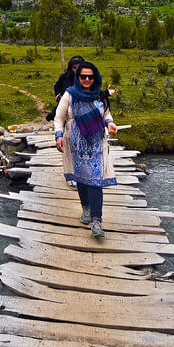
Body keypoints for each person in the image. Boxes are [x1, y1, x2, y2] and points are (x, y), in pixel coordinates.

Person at [53, 60, 118, 238]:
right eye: (83, 76)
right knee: (81, 177)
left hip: (97, 143)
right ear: (78, 77)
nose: (87, 79)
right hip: (75, 143)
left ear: (95, 77)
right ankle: (86, 209)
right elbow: (59, 118)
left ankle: (97, 221)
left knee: (96, 180)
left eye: (90, 76)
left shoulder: (99, 96)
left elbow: (106, 114)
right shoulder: (69, 95)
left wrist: (110, 124)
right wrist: (58, 135)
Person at [45, 55, 84, 122]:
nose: (77, 69)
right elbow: (57, 86)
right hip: (65, 103)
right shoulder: (65, 77)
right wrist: (58, 96)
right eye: (74, 67)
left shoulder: (87, 78)